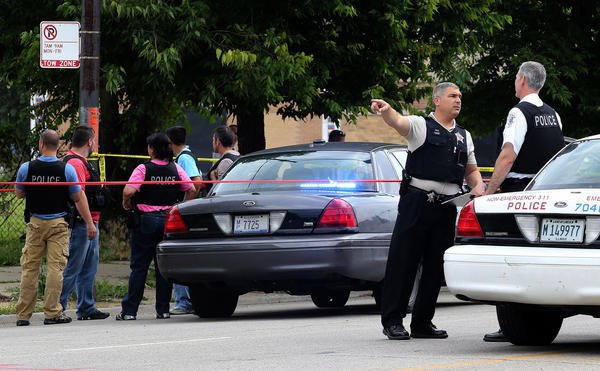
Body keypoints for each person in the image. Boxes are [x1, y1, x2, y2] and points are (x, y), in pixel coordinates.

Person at [371, 82, 485, 340]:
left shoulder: (463, 135)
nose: (458, 100)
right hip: (417, 202)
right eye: (453, 96)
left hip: (446, 208)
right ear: (437, 100)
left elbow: (471, 171)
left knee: (435, 267)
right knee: (404, 262)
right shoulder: (421, 125)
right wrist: (387, 110)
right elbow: (398, 122)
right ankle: (393, 320)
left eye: (460, 96)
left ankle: (422, 323)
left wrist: (478, 187)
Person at [482, 61, 564, 342]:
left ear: (522, 81)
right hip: (547, 192)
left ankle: (511, 324)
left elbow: (508, 155)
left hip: (519, 192)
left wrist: (490, 190)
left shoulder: (519, 112)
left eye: (516, 77)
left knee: (509, 258)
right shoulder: (553, 115)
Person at [14, 129, 96, 326]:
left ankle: (23, 315)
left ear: (41, 144)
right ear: (58, 145)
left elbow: (18, 194)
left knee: (29, 269)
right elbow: (77, 197)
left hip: (34, 224)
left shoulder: (27, 168)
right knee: (55, 269)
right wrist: (89, 222)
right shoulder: (66, 169)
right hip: (59, 224)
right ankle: (52, 313)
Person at [116, 133, 195, 321]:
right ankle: (163, 310)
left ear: (151, 149)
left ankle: (129, 312)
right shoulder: (175, 168)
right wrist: (179, 208)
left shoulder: (143, 168)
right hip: (168, 221)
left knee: (139, 267)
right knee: (163, 268)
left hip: (146, 221)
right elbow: (192, 188)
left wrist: (126, 201)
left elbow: (128, 190)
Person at [60, 126, 110, 321]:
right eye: (94, 140)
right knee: (73, 266)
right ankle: (58, 306)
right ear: (90, 141)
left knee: (89, 266)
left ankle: (86, 307)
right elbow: (79, 195)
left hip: (89, 222)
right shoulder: (76, 164)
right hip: (82, 223)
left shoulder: (78, 162)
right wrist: (89, 223)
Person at [166, 125, 202, 315]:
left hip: (184, 214)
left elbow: (196, 183)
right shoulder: (185, 156)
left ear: (170, 141)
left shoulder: (184, 158)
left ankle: (184, 301)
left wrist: (183, 207)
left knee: (177, 256)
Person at [205, 126, 240, 194]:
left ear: (218, 141)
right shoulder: (238, 157)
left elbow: (221, 191)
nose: (212, 142)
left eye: (213, 140)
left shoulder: (225, 162)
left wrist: (212, 176)